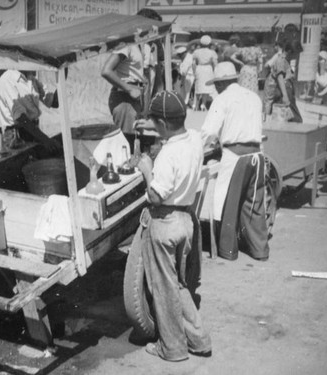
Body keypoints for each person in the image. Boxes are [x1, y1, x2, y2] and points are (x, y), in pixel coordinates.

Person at [133, 91, 212, 362]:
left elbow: (155, 195)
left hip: (165, 222)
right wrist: (148, 125)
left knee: (163, 289)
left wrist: (146, 168)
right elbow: (173, 136)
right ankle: (199, 339)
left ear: (164, 125)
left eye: (155, 121)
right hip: (186, 221)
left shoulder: (167, 154)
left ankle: (173, 348)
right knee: (178, 285)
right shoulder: (194, 139)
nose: (153, 125)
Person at [201, 62, 270, 262]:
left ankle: (228, 251)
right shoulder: (253, 97)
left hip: (235, 156)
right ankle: (260, 250)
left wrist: (199, 147)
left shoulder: (222, 99)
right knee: (254, 205)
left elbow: (208, 131)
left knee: (228, 204)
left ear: (221, 84)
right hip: (256, 154)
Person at [101, 8, 162, 147]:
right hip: (125, 99)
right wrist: (128, 89)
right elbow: (106, 71)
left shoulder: (145, 45)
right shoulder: (127, 44)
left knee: (135, 142)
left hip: (138, 97)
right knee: (126, 143)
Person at [0, 69, 61, 156]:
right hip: (15, 137)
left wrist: (62, 75)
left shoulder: (30, 78)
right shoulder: (7, 80)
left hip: (32, 131)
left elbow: (54, 102)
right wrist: (46, 140)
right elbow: (20, 118)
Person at [263, 40, 303, 122]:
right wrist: (285, 96)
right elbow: (280, 78)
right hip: (276, 90)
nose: (297, 56)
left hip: (280, 90)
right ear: (290, 51)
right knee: (270, 107)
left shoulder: (285, 60)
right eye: (296, 53)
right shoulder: (280, 60)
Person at [192, 35, 218, 111]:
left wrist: (194, 71)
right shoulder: (212, 52)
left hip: (199, 68)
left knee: (198, 86)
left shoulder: (196, 52)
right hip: (208, 69)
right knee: (206, 87)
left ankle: (195, 104)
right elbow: (215, 63)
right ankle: (203, 104)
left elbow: (193, 62)